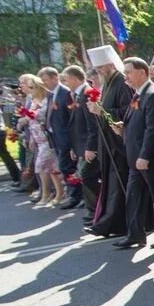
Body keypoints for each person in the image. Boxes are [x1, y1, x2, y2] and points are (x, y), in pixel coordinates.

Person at [112, 57, 154, 249]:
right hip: (137, 158)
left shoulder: (153, 95)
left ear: (142, 73)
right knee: (134, 196)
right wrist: (123, 128)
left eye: (129, 72)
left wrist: (145, 156)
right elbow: (137, 121)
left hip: (151, 159)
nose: (126, 77)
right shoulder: (139, 94)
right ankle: (135, 234)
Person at [85, 45, 134, 238]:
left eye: (100, 69)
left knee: (117, 184)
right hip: (108, 143)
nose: (97, 72)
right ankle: (109, 221)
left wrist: (102, 112)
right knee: (111, 183)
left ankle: (111, 223)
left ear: (110, 66)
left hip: (118, 143)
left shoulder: (121, 83)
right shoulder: (107, 84)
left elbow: (126, 112)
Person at [22, 77, 64, 206]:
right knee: (51, 167)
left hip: (47, 138)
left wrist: (29, 117)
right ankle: (54, 193)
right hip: (37, 137)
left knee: (42, 166)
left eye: (32, 87)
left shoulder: (47, 100)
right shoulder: (33, 100)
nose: (30, 90)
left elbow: (42, 116)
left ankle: (50, 193)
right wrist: (30, 138)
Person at [39, 67, 75, 203]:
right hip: (55, 138)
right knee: (63, 167)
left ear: (55, 78)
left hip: (65, 138)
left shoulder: (65, 93)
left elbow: (70, 117)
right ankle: (71, 194)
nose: (44, 83)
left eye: (46, 80)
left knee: (67, 167)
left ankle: (74, 195)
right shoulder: (51, 94)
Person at [63, 65, 96, 213]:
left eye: (67, 79)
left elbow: (92, 124)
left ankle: (94, 210)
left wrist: (90, 147)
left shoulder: (87, 93)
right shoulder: (76, 94)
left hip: (88, 146)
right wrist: (73, 147)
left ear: (75, 78)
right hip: (80, 145)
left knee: (88, 177)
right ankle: (92, 210)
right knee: (85, 178)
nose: (65, 82)